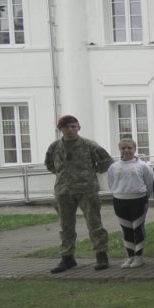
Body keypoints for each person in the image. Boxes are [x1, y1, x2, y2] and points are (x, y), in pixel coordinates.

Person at [45, 115, 114, 273]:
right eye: (66, 127)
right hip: (63, 191)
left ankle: (101, 254)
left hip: (87, 190)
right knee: (66, 225)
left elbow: (106, 161)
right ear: (60, 129)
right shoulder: (54, 147)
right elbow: (49, 164)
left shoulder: (89, 145)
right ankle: (67, 257)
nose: (70, 130)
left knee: (94, 223)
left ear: (78, 127)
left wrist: (90, 173)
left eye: (73, 126)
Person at [107, 139, 154, 268]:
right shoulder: (114, 167)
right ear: (120, 150)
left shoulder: (143, 166)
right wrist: (119, 193)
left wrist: (143, 196)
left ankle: (139, 257)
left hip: (138, 201)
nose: (126, 150)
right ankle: (130, 256)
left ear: (135, 149)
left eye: (129, 148)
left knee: (137, 228)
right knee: (126, 229)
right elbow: (111, 183)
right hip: (119, 201)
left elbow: (150, 183)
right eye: (123, 148)